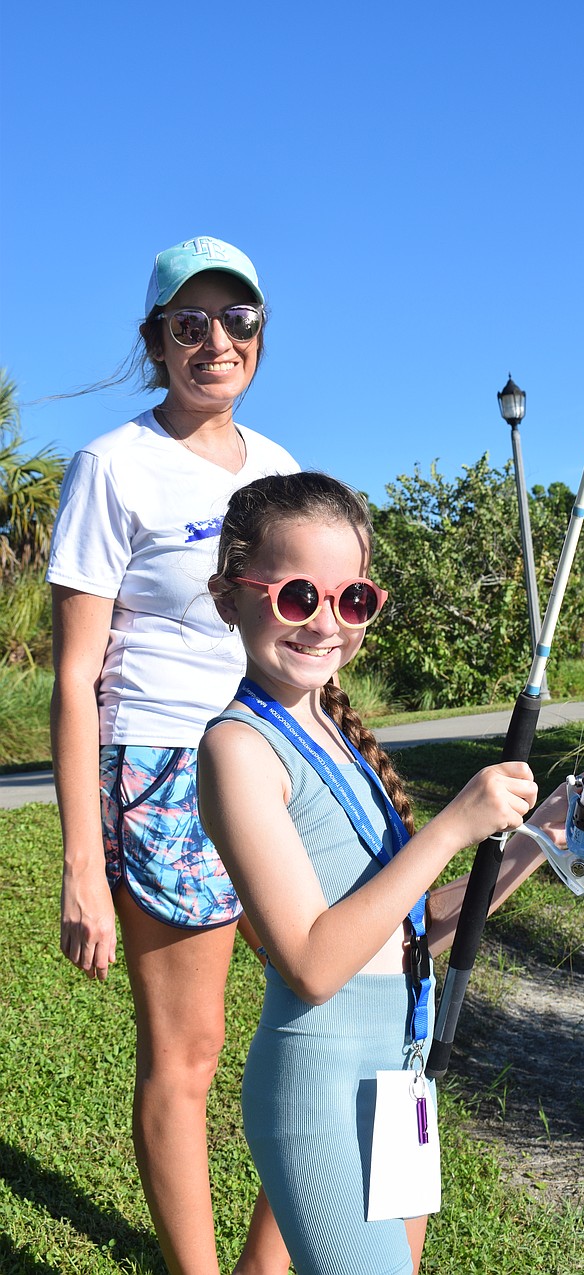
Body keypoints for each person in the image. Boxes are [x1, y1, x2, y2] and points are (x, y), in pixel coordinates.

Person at [197, 471, 584, 1275]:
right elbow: (315, 962)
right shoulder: (239, 750)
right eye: (295, 596)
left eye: (350, 599)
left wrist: (535, 838)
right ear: (229, 596)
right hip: (319, 1087)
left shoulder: (334, 730)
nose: (325, 622)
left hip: (401, 1071)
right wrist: (458, 822)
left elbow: (406, 924)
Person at [47, 237, 299, 1275]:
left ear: (259, 337)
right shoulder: (113, 464)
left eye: (235, 320)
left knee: (330, 1013)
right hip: (159, 765)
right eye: (187, 323)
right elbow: (75, 676)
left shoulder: (283, 470)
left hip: (274, 757)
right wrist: (80, 870)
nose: (214, 341)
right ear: (155, 343)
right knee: (187, 1055)